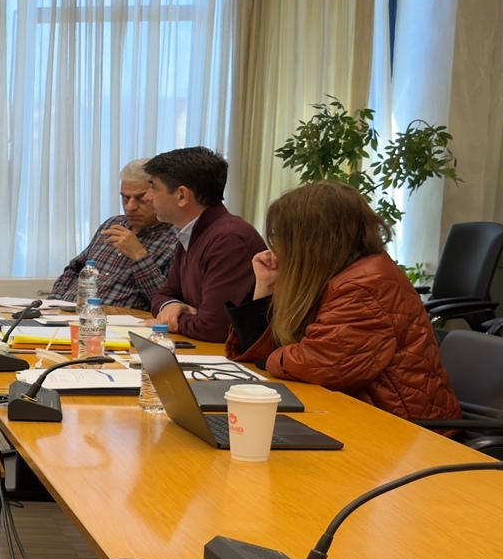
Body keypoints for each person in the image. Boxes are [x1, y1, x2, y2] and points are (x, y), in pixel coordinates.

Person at [225, 183, 460, 420]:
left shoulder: (367, 285)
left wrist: (270, 358)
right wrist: (265, 286)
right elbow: (264, 350)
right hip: (361, 413)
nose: (278, 247)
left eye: (283, 236)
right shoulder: (335, 271)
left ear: (312, 238)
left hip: (407, 428)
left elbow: (318, 365)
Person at [145, 146, 267, 343]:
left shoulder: (229, 239)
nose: (147, 197)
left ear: (182, 196)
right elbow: (163, 295)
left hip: (226, 355)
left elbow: (213, 328)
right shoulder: (192, 231)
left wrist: (174, 320)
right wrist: (171, 306)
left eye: (154, 188)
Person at [47, 159, 180, 311]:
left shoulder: (176, 240)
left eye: (141, 198)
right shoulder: (113, 224)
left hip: (113, 321)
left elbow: (166, 303)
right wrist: (52, 303)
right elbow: (75, 269)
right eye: (125, 198)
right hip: (66, 314)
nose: (130, 207)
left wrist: (139, 256)